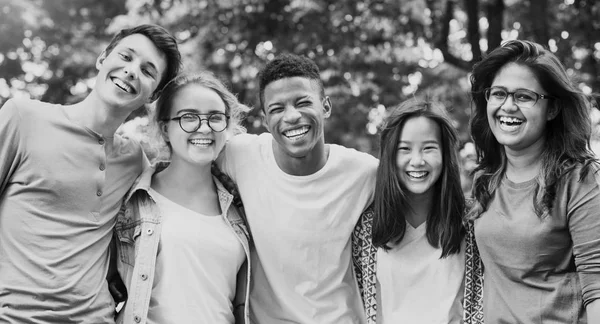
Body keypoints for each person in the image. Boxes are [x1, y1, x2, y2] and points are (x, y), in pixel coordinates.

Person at [0, 24, 181, 323]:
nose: (131, 71)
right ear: (102, 59)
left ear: (153, 96)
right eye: (125, 56)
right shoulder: (23, 117)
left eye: (148, 71)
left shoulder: (135, 160)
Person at [218, 53, 378, 323]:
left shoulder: (364, 172)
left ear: (325, 106)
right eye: (277, 109)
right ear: (266, 120)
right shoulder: (239, 154)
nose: (292, 116)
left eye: (303, 103)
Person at [463, 39, 600, 323]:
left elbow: (597, 290)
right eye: (498, 93)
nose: (508, 106)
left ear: (552, 109)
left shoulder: (582, 180)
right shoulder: (486, 180)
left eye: (524, 96)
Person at [114, 72, 251, 324]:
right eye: (189, 117)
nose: (204, 127)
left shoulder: (240, 205)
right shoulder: (132, 200)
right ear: (165, 128)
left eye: (215, 117)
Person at [353, 98, 466, 324]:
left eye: (429, 148)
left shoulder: (470, 223)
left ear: (445, 155)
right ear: (390, 156)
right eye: (404, 149)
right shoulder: (366, 227)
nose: (417, 160)